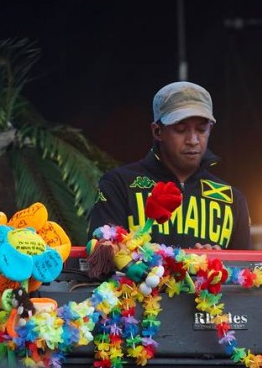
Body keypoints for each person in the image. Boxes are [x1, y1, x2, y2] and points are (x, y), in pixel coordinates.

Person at [88, 81, 252, 250]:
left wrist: (217, 267)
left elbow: (247, 271)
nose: (193, 140)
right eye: (181, 129)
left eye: (202, 129)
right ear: (157, 131)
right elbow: (100, 257)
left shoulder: (232, 199)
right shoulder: (119, 184)